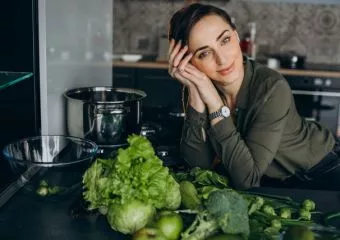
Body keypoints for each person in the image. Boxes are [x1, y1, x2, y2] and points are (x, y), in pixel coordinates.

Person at [167, 3, 340, 190]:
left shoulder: (270, 87)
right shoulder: (201, 86)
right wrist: (194, 91)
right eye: (205, 53)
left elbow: (247, 180)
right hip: (274, 183)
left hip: (321, 171)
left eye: (224, 40)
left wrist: (216, 106)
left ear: (236, 36)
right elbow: (199, 167)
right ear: (189, 62)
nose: (222, 59)